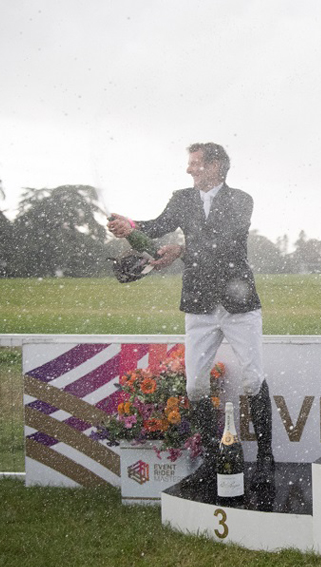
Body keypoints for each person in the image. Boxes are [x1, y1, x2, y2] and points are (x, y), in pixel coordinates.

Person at [107, 142, 275, 487]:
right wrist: (130, 225)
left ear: (216, 166)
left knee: (252, 379)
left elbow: (224, 241)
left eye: (195, 164)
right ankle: (212, 457)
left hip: (239, 306)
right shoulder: (181, 199)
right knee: (195, 384)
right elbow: (156, 226)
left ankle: (265, 457)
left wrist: (180, 249)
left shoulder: (242, 200)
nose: (189, 170)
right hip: (199, 304)